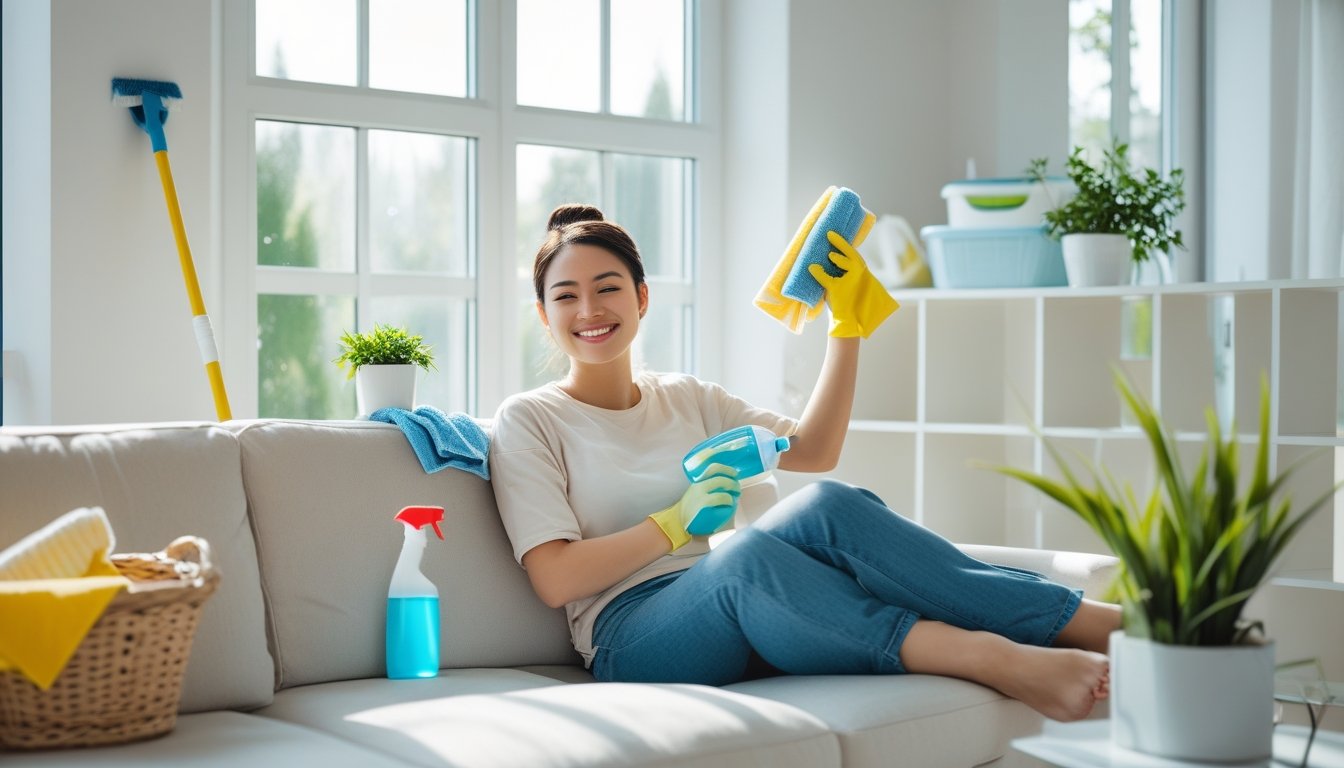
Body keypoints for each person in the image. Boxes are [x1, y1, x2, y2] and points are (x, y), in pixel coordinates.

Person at [489, 204, 1121, 722]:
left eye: (608, 288)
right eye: (566, 297)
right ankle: (997, 658)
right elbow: (556, 579)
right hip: (630, 633)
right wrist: (676, 523)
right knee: (745, 559)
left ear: (642, 297)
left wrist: (846, 327)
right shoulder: (531, 419)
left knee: (830, 504)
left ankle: (1104, 623)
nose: (590, 311)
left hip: (723, 593)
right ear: (545, 316)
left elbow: (814, 450)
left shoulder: (687, 398)